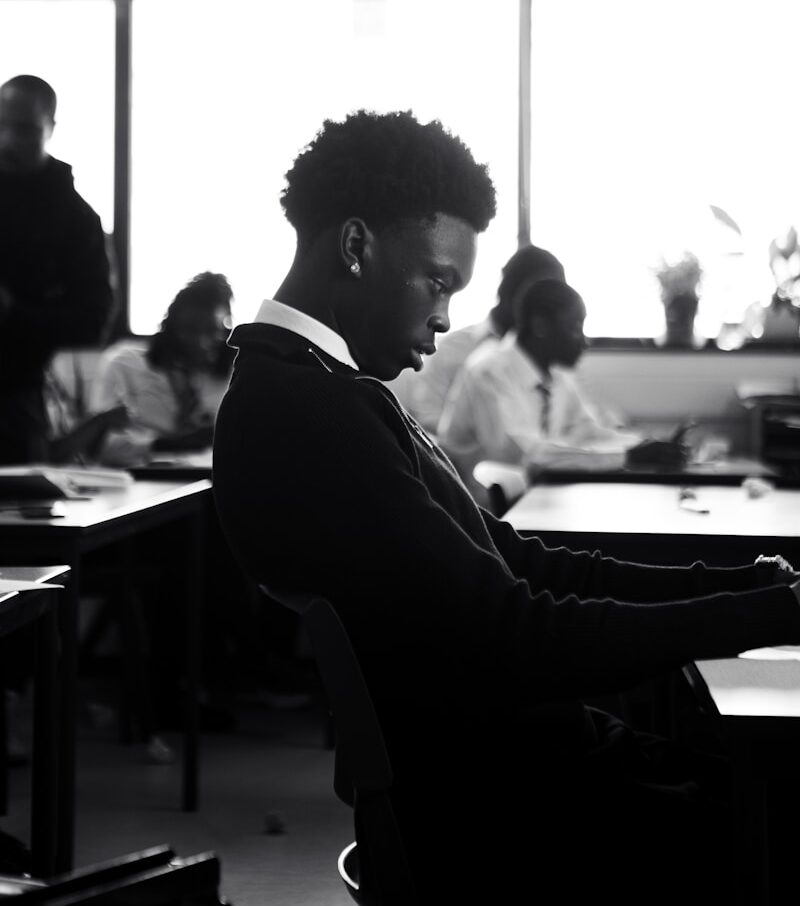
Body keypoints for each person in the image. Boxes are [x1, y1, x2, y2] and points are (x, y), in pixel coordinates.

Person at [212, 109, 800, 904]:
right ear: (357, 247)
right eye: (439, 282)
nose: (447, 317)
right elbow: (516, 633)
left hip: (533, 772)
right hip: (516, 816)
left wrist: (738, 586)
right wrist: (761, 617)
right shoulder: (307, 410)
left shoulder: (327, 388)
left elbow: (519, 562)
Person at [438, 278, 688, 479]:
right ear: (540, 325)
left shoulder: (557, 375)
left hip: (532, 500)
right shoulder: (489, 372)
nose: (584, 340)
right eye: (575, 327)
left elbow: (588, 432)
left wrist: (652, 446)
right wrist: (629, 457)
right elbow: (528, 456)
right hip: (479, 514)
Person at [0, 74, 113, 465]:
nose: (8, 140)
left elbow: (93, 322)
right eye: (0, 125)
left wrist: (15, 313)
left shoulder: (75, 219)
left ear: (51, 127)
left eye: (24, 129)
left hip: (15, 399)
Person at [387, 243, 565, 432]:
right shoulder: (450, 350)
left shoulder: (548, 362)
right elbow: (426, 421)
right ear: (511, 291)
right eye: (543, 302)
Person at [90, 271, 234, 467]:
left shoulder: (229, 376)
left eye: (212, 331)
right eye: (190, 330)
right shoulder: (124, 365)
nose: (201, 342)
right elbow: (100, 445)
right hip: (141, 478)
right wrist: (170, 444)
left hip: (205, 479)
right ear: (169, 327)